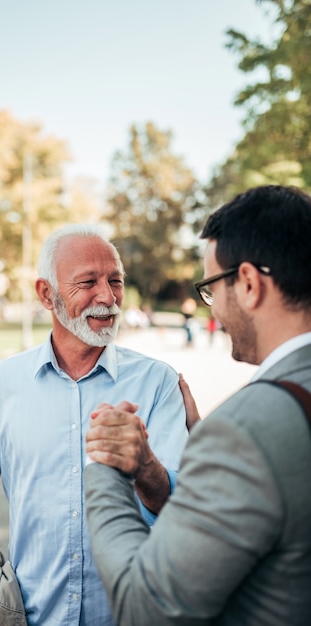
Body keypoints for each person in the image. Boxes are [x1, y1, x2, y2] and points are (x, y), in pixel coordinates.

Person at [85, 185, 311, 625]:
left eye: (211, 286)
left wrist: (105, 465)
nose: (214, 308)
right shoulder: (255, 428)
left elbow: (144, 608)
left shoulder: (244, 432)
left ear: (248, 283)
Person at [0, 224, 188, 626]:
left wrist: (145, 465)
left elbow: (181, 511)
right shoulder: (1, 384)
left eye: (115, 281)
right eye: (87, 282)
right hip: (32, 614)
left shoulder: (159, 382)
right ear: (46, 294)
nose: (108, 297)